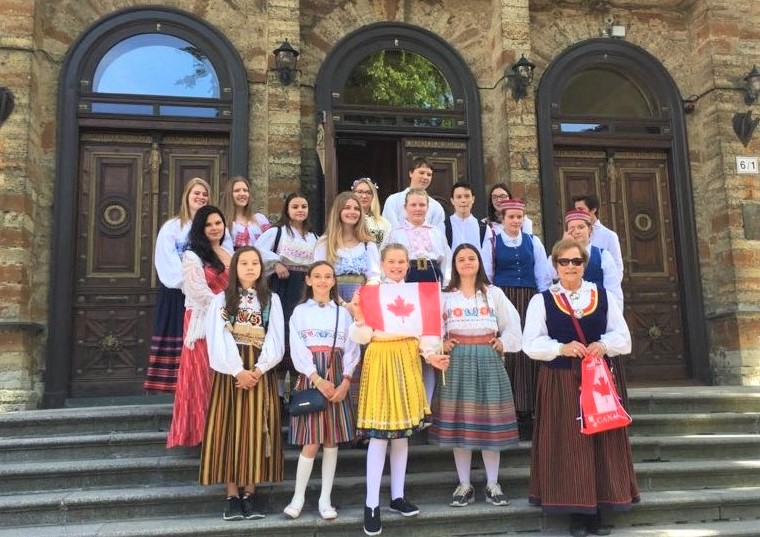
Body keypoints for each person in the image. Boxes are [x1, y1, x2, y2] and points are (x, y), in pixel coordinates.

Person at [523, 238, 639, 537]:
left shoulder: (602, 296)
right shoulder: (542, 300)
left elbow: (623, 338)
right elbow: (530, 344)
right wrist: (561, 348)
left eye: (576, 261)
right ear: (555, 265)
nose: (571, 267)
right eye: (564, 262)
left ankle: (598, 509)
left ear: (584, 264)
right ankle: (576, 512)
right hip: (562, 380)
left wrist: (602, 344)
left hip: (598, 379)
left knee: (601, 441)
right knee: (569, 444)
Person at [348, 243, 449, 536]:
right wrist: (357, 315)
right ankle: (371, 504)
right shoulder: (371, 292)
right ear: (382, 263)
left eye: (401, 261)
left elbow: (425, 334)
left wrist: (432, 356)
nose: (397, 266)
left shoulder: (417, 293)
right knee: (380, 436)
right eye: (391, 261)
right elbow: (362, 335)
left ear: (408, 264)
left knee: (402, 435)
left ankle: (397, 496)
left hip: (407, 358)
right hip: (381, 356)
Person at [430, 244, 521, 509]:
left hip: (487, 358)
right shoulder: (445, 296)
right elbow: (433, 327)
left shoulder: (493, 294)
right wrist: (440, 344)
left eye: (471, 258)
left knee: (490, 422)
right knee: (461, 424)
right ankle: (464, 484)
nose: (467, 262)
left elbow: (511, 323)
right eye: (461, 259)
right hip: (457, 361)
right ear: (454, 264)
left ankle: (493, 484)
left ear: (479, 262)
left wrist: (505, 343)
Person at [201, 246, 285, 521]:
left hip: (261, 369)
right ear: (234, 268)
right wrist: (238, 370)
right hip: (231, 373)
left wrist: (258, 369)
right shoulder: (222, 300)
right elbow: (218, 337)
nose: (250, 268)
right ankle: (231, 495)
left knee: (257, 430)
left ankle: (250, 493)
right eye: (244, 263)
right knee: (230, 429)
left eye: (255, 263)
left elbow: (275, 339)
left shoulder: (271, 300)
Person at [284, 261, 360, 521]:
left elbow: (351, 349)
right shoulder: (300, 313)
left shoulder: (343, 313)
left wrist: (346, 381)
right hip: (311, 376)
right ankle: (298, 496)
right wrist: (316, 378)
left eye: (328, 276)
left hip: (338, 374)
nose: (323, 281)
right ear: (308, 280)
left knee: (331, 439)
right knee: (311, 440)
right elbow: (296, 347)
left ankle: (325, 498)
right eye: (317, 276)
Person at [482, 198, 551, 440]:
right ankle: (507, 410)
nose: (515, 221)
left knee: (529, 351)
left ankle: (529, 411)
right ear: (503, 218)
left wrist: (545, 303)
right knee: (509, 350)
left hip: (530, 299)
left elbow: (542, 273)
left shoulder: (534, 242)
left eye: (519, 217)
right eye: (511, 216)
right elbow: (488, 275)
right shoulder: (492, 241)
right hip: (504, 298)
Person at [166, 206, 231, 448]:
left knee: (220, 375)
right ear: (200, 229)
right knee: (201, 374)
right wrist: (226, 308)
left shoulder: (227, 253)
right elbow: (197, 290)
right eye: (209, 224)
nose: (215, 228)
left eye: (219, 223)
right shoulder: (193, 256)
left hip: (227, 321)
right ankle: (199, 432)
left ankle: (219, 431)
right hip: (203, 321)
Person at [144, 177, 210, 392]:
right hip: (178, 292)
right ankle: (178, 388)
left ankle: (197, 384)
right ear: (187, 196)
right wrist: (186, 284)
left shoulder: (211, 226)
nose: (200, 197)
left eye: (204, 194)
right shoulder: (172, 227)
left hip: (203, 293)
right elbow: (167, 258)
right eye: (196, 193)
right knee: (180, 338)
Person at [560, 209, 627, 409]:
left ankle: (610, 412)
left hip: (598, 321)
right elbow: (548, 281)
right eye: (571, 228)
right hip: (569, 321)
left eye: (581, 227)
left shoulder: (602, 256)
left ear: (590, 231)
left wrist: (612, 322)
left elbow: (614, 291)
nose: (576, 232)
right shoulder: (559, 256)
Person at [256, 193, 318, 382]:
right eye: (295, 206)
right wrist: (276, 264)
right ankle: (280, 393)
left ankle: (301, 388)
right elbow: (257, 251)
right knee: (280, 332)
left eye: (304, 206)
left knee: (301, 333)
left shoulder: (314, 237)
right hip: (282, 287)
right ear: (287, 210)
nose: (300, 210)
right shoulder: (277, 232)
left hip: (304, 289)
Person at [315, 191, 381, 305]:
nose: (352, 212)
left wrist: (357, 303)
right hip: (331, 304)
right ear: (338, 211)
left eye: (356, 209)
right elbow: (318, 277)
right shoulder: (324, 243)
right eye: (347, 208)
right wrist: (343, 305)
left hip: (362, 304)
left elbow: (374, 278)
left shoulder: (368, 244)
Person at [382, 188, 450, 285]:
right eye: (413, 205)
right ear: (405, 207)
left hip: (433, 279)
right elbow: (384, 260)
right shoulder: (394, 233)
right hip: (405, 279)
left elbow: (446, 262)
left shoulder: (437, 233)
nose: (417, 209)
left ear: (427, 207)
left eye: (422, 205)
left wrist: (447, 284)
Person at [382, 157, 445, 228]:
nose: (425, 177)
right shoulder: (393, 200)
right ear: (411, 173)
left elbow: (439, 234)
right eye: (421, 173)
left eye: (429, 175)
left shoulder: (436, 207)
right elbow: (389, 229)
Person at [573, 194, 624, 275]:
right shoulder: (572, 235)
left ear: (593, 210)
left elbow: (617, 267)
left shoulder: (609, 236)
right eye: (576, 210)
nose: (577, 213)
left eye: (581, 209)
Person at [219, 176, 271, 249]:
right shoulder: (222, 221)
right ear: (229, 194)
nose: (242, 193)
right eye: (237, 190)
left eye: (245, 190)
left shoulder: (259, 220)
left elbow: (271, 244)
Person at [440, 181, 491, 253]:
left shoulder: (484, 228)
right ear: (452, 201)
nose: (463, 200)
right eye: (459, 197)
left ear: (473, 199)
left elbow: (487, 260)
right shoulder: (443, 227)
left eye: (467, 196)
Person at [352, 177, 392, 247]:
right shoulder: (347, 221)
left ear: (374, 196)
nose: (364, 196)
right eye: (360, 192)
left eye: (368, 192)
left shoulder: (384, 223)